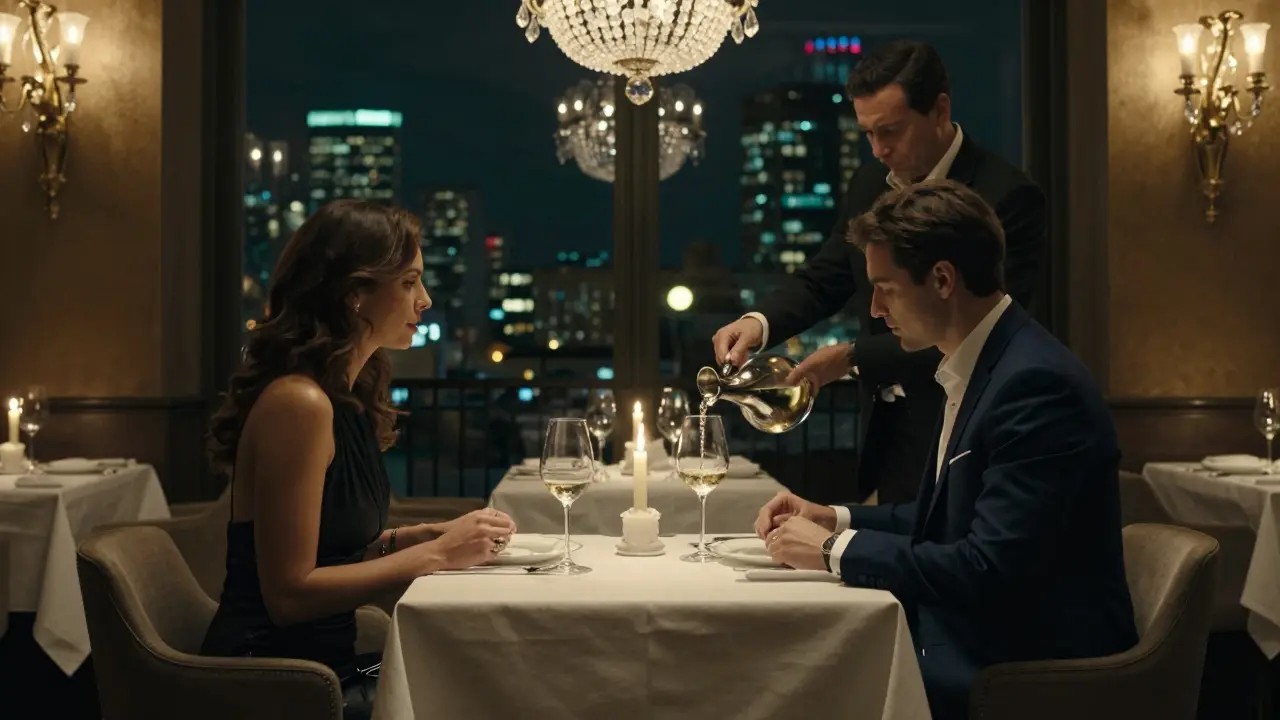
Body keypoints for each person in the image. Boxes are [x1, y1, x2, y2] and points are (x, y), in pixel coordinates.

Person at [754, 181, 1136, 720]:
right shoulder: (982, 363)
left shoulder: (1035, 384)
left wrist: (832, 550)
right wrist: (833, 518)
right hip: (980, 641)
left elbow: (988, 568)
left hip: (1030, 674)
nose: (876, 309)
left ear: (941, 280)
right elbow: (943, 521)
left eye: (885, 288)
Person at [201, 199, 518, 719]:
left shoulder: (343, 399)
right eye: (409, 282)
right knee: (477, 693)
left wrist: (417, 537)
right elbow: (289, 595)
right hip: (275, 679)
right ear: (354, 294)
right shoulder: (298, 404)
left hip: (328, 667)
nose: (425, 300)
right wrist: (438, 555)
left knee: (479, 672)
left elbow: (331, 552)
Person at [713, 40, 1047, 505]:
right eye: (867, 133)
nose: (878, 149)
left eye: (890, 131)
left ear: (940, 110)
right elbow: (827, 276)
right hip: (889, 432)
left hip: (967, 425)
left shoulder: (1005, 196)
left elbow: (983, 330)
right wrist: (759, 323)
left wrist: (853, 357)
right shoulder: (870, 184)